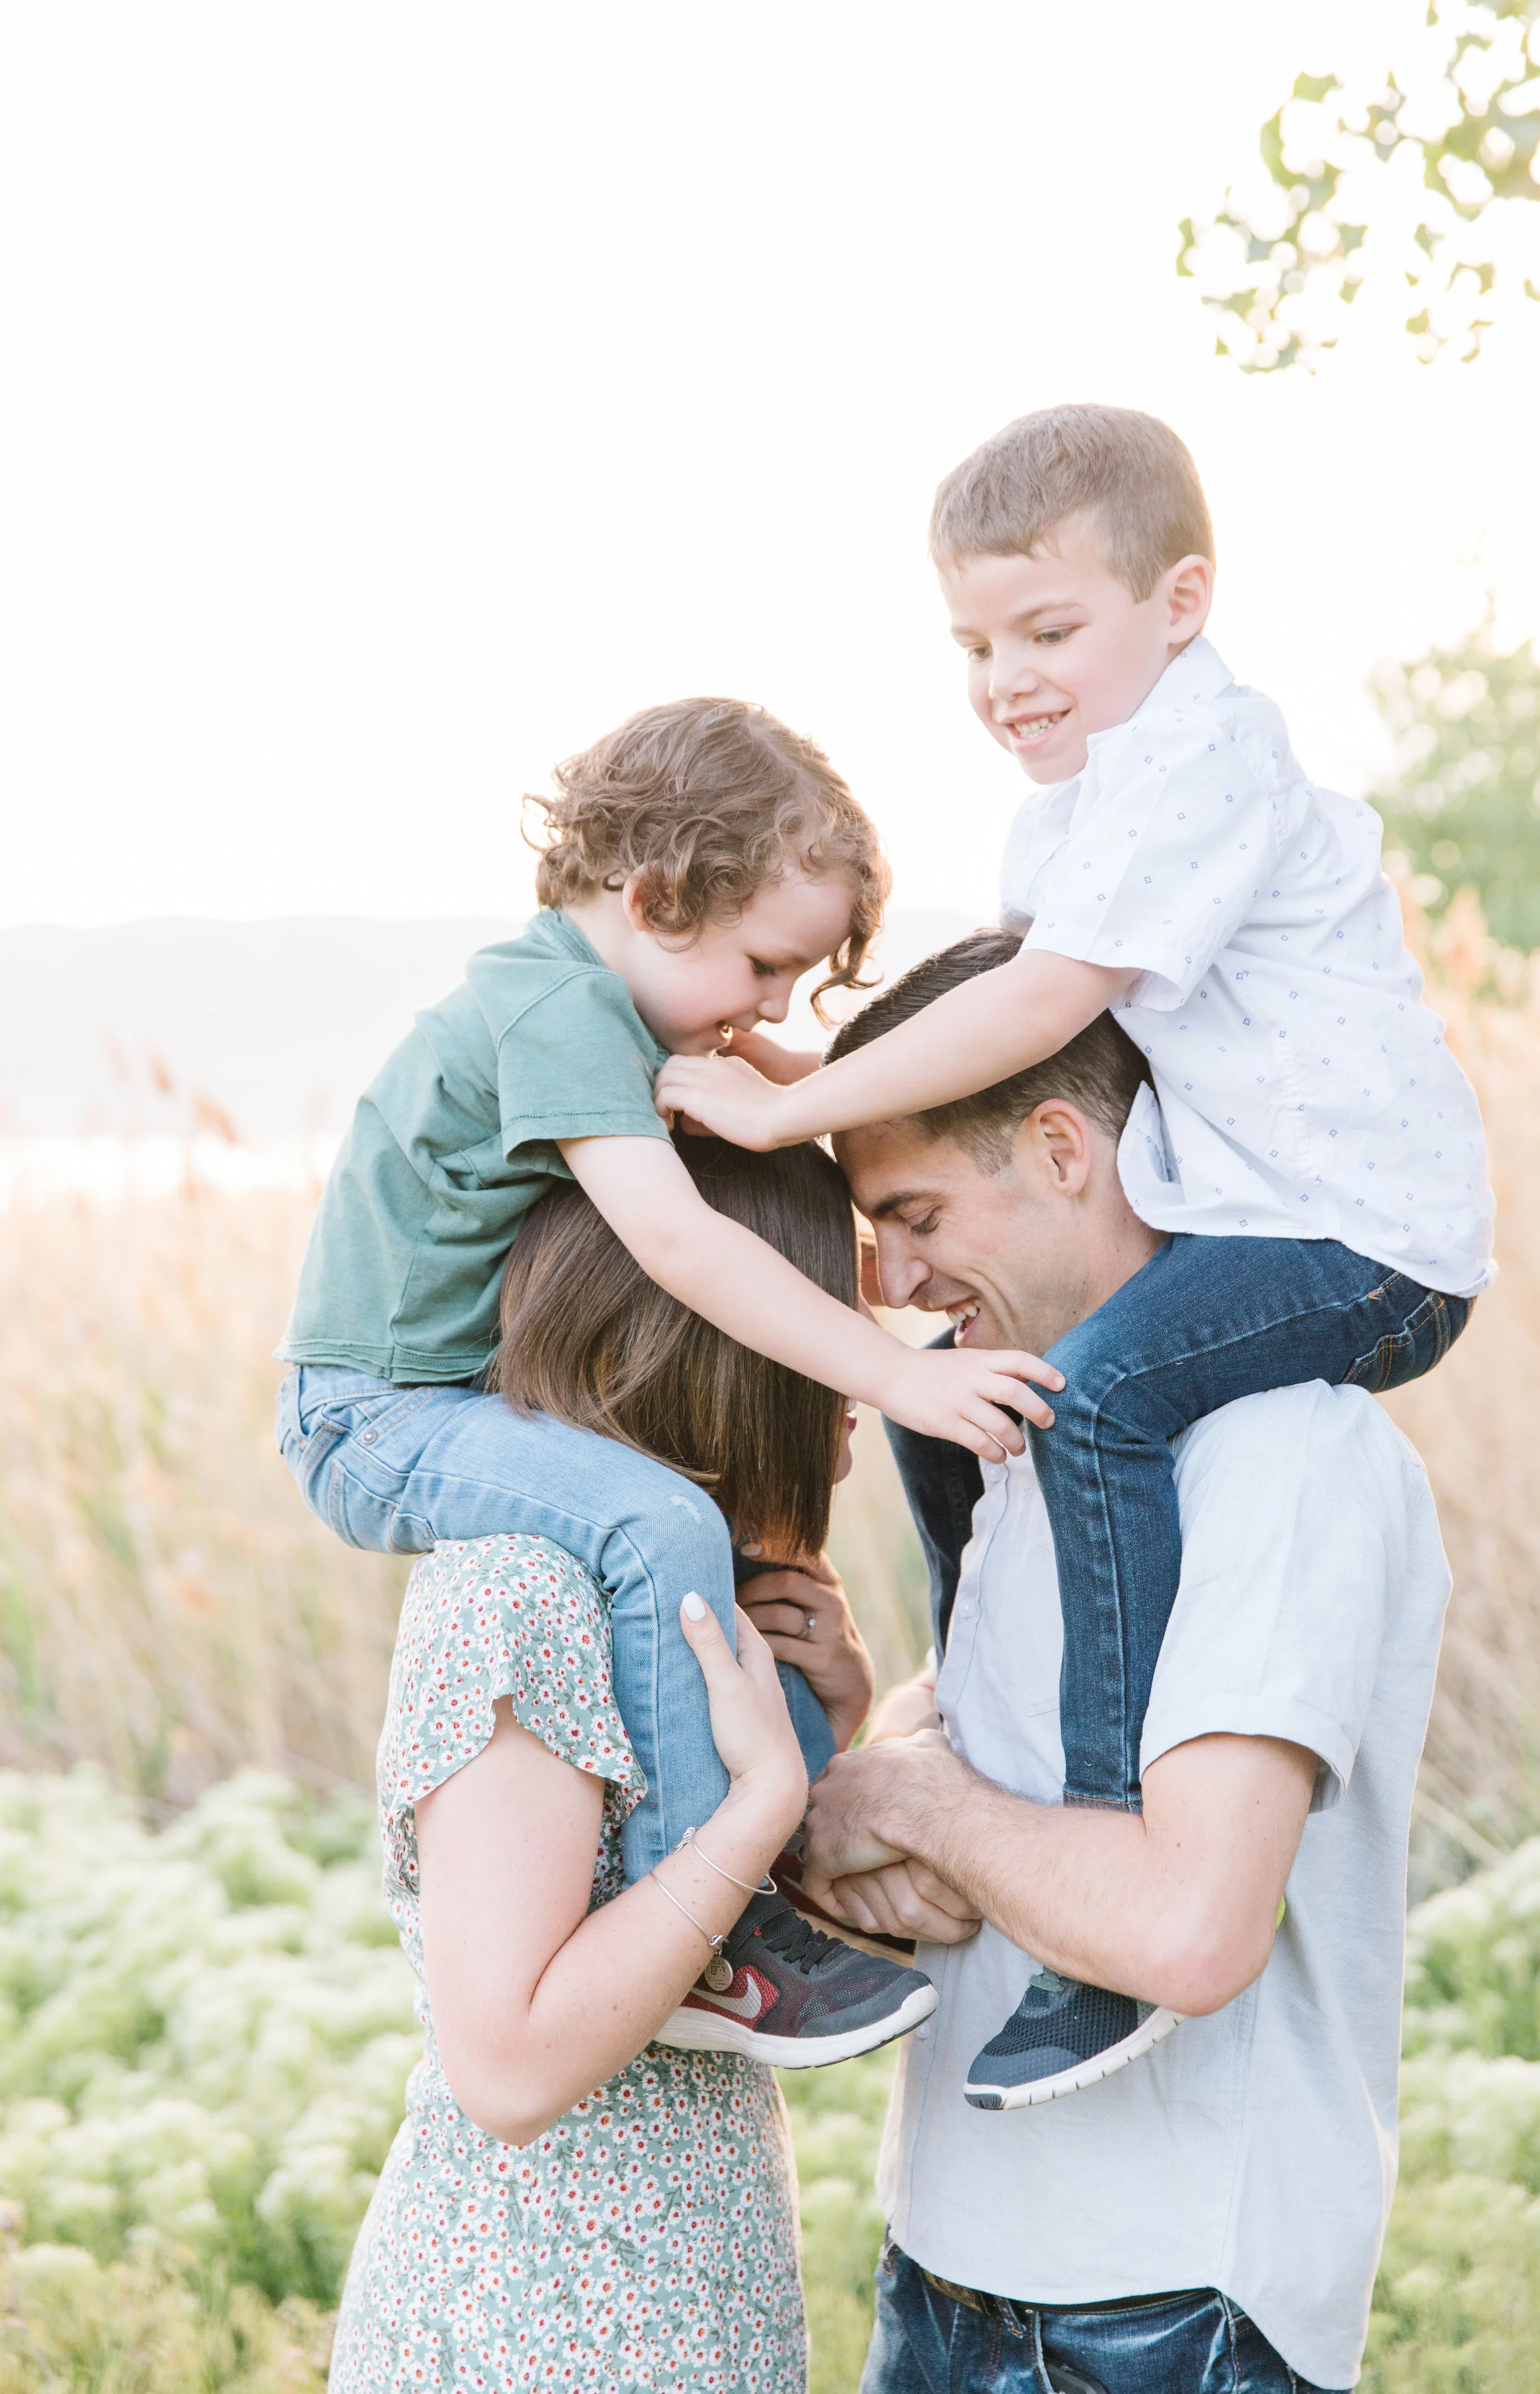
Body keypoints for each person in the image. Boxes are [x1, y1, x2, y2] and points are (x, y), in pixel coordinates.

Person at [654, 408, 1491, 2102]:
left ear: (1180, 601)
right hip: (1257, 1220)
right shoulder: (1077, 817)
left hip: (1362, 1238)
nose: (1004, 676)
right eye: (971, 641)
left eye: (1048, 630)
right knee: (935, 1391)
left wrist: (773, 1117)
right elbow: (995, 1050)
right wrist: (768, 1061)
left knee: (1098, 1396)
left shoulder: (1208, 763)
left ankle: (1105, 1826)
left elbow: (1038, 1014)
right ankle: (974, 1689)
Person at [278, 697, 1058, 2064]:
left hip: (421, 1403)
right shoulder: (555, 1011)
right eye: (765, 965)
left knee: (673, 1550)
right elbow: (682, 1242)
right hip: (370, 1415)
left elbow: (768, 1089)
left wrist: (785, 1073)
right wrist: (893, 1372)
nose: (766, 1007)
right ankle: (707, 1925)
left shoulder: (587, 1003)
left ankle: (753, 1876)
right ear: (654, 896)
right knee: (654, 1523)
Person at [795, 932, 1453, 2394]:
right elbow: (979, 1732)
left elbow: (1183, 1932)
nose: (893, 1280)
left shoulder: (1277, 1453)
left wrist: (912, 1811)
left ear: (1055, 1147)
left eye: (912, 1214)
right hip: (953, 2263)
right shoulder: (1036, 1425)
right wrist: (871, 1759)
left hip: (1164, 2311)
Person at [330, 1134, 893, 2391]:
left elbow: (699, 1943)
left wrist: (827, 1726)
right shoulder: (524, 1593)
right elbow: (512, 2064)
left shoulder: (678, 1593)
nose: (865, 1361)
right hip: (544, 2317)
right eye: (824, 1318)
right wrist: (758, 1808)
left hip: (671, 2293)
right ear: (720, 1340)